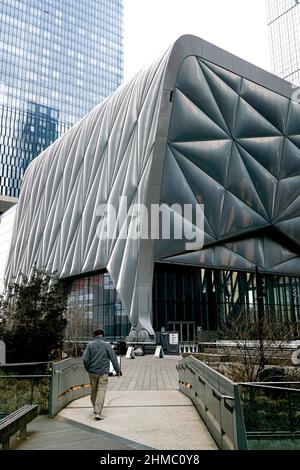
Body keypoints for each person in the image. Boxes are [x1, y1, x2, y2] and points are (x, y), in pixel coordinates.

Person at [83, 329, 122, 420]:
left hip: (92, 372)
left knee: (94, 390)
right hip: (103, 372)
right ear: (102, 336)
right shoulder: (107, 346)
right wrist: (118, 370)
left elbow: (85, 359)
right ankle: (98, 412)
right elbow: (113, 358)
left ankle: (95, 408)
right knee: (101, 391)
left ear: (94, 336)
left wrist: (88, 368)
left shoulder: (90, 346)